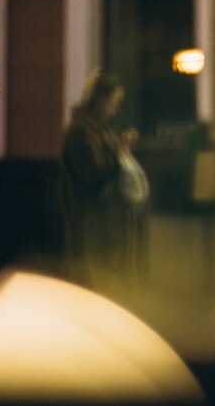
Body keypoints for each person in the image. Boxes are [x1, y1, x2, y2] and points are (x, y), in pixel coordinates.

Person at [61, 69, 148, 289]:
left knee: (106, 275)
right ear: (99, 100)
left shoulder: (96, 127)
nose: (115, 109)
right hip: (92, 220)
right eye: (113, 102)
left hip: (103, 220)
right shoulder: (82, 130)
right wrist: (120, 151)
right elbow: (94, 173)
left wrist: (119, 147)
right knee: (97, 277)